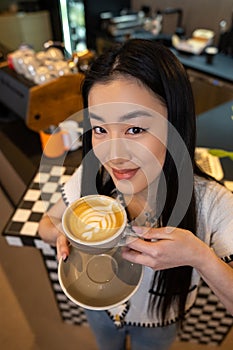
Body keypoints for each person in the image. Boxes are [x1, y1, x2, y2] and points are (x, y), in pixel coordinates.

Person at [38, 39, 233, 350]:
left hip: (159, 319)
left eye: (134, 130)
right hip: (100, 309)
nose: (114, 155)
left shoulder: (212, 202)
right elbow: (46, 226)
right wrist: (64, 234)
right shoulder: (94, 177)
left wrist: (200, 258)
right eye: (100, 129)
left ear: (175, 125)